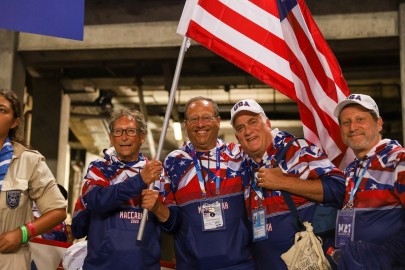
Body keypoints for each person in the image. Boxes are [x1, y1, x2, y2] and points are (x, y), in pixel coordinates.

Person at [230, 99, 346, 270]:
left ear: (267, 123)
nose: (247, 131)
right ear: (237, 137)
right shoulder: (243, 166)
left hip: (306, 262)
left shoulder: (298, 149)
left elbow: (339, 189)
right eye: (240, 128)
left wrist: (283, 182)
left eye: (253, 122)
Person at [142, 96, 255, 269]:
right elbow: (171, 223)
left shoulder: (238, 154)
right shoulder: (174, 162)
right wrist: (157, 207)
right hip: (192, 265)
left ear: (218, 121)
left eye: (206, 118)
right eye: (194, 119)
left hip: (240, 264)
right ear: (186, 124)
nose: (200, 124)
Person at [71, 108, 163, 270]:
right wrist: (140, 180)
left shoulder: (157, 174)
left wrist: (157, 207)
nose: (124, 137)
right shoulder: (99, 169)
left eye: (130, 131)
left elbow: (170, 223)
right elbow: (97, 201)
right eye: (118, 132)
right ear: (111, 138)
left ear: (142, 137)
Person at [333, 93, 405, 269]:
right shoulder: (351, 169)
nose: (352, 127)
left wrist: (383, 257)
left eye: (360, 119)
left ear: (379, 123)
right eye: (346, 122)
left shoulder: (398, 161)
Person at [0, 89, 67, 269]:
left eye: (2, 110)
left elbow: (58, 210)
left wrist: (22, 233)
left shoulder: (29, 161)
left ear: (15, 122)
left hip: (10, 260)